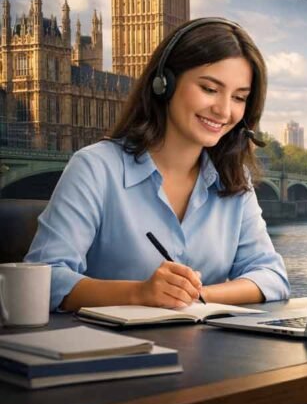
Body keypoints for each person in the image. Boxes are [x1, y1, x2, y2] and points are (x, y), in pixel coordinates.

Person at [26, 18, 290, 312]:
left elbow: (272, 277)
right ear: (163, 83)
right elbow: (44, 281)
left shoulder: (234, 179)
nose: (224, 110)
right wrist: (140, 293)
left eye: (239, 97)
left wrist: (194, 296)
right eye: (209, 89)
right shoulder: (95, 168)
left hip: (211, 353)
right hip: (113, 351)